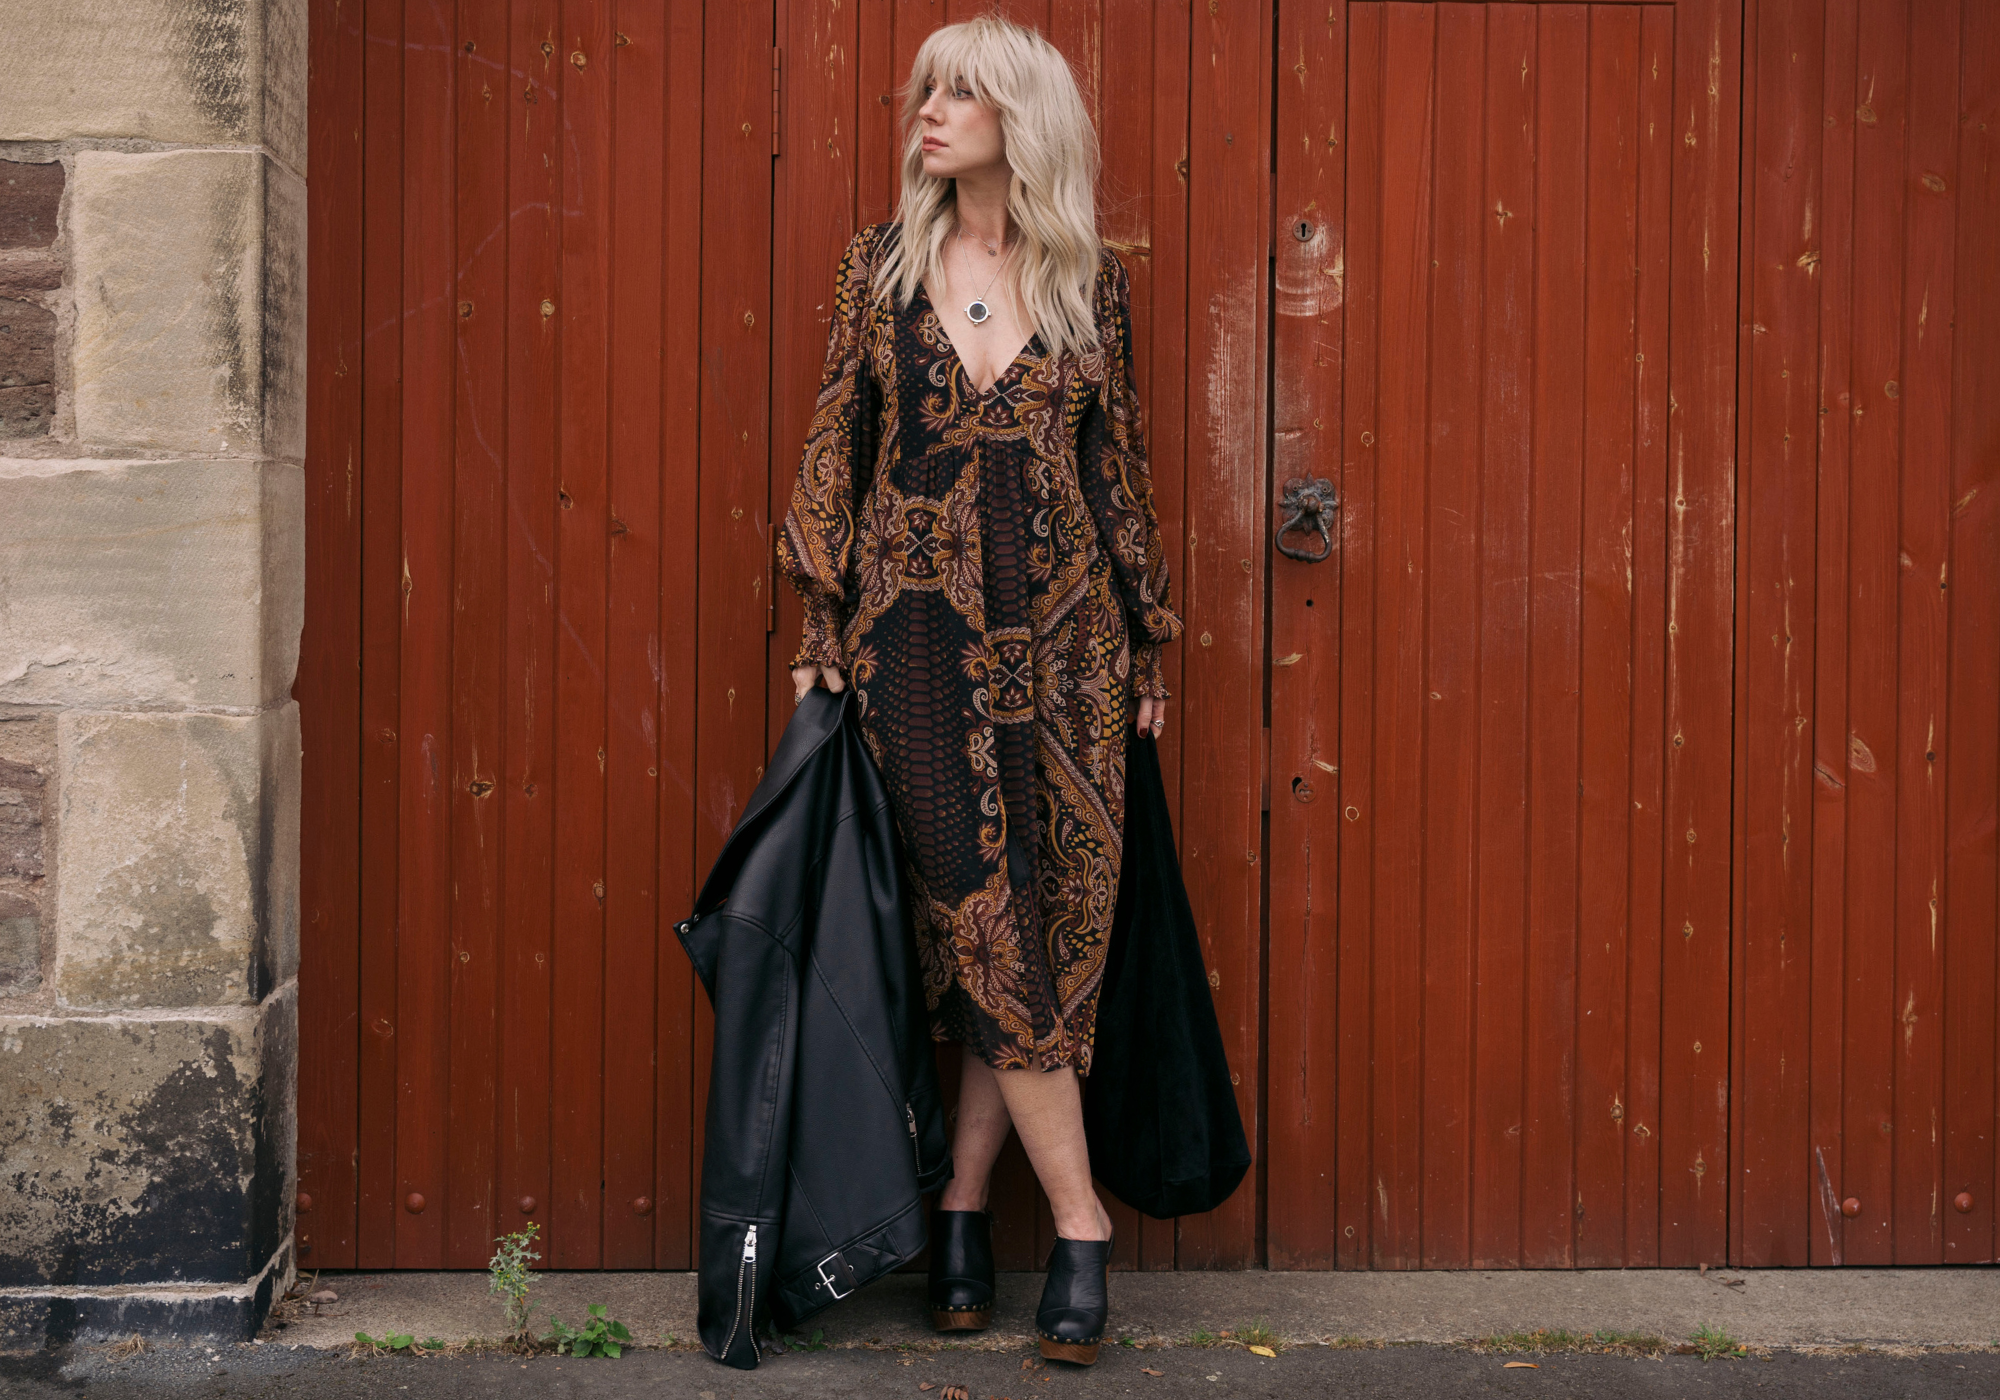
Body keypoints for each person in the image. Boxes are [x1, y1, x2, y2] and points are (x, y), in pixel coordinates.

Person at [777, 13, 1180, 1366]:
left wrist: (1151, 636)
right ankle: (1078, 1232)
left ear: (1023, 118)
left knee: (1048, 944)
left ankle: (960, 1218)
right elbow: (836, 441)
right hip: (919, 658)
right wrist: (819, 619)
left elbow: (1116, 466)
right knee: (991, 937)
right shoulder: (880, 272)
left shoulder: (1086, 285)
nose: (929, 111)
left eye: (963, 93)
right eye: (927, 91)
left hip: (1070, 660)